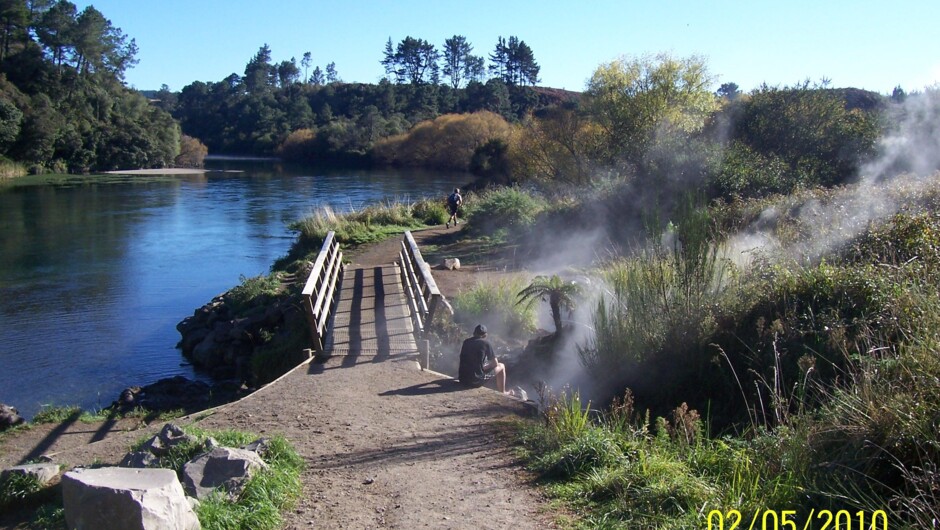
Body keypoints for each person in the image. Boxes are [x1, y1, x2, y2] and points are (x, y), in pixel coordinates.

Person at [458, 324, 510, 394]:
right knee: (501, 366)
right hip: (475, 382)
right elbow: (495, 363)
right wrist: (484, 367)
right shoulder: (486, 343)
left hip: (462, 379)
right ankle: (503, 392)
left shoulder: (466, 342)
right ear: (485, 335)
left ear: (474, 333)